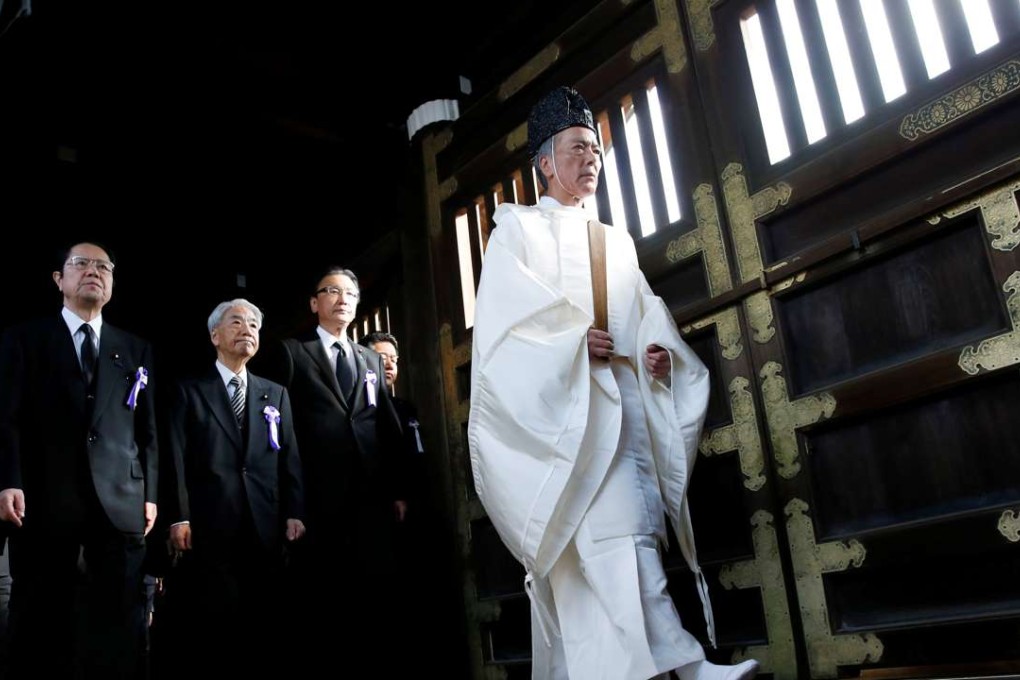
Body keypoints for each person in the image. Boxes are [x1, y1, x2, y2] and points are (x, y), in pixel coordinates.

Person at [467, 87, 761, 680]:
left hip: (620, 408)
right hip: (562, 421)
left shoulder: (614, 240)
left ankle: (678, 667)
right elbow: (504, 332)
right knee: (599, 554)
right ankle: (688, 667)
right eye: (577, 148)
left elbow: (645, 315)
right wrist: (571, 346)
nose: (591, 159)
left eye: (596, 149)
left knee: (629, 537)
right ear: (545, 162)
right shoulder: (516, 233)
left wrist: (658, 357)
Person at [0, 241, 158, 679]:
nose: (94, 271)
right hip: (44, 496)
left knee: (119, 618)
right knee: (39, 611)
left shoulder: (135, 348)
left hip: (121, 500)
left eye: (103, 266)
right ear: (59, 279)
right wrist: (9, 479)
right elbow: (6, 418)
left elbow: (147, 430)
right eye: (81, 264)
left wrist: (150, 493)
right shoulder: (24, 339)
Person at [263, 267, 407, 670]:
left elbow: (386, 427)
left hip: (370, 495)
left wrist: (397, 489)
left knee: (374, 590)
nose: (342, 299)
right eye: (332, 291)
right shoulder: (292, 352)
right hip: (316, 494)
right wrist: (289, 500)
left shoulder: (369, 359)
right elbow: (278, 427)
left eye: (350, 294)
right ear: (315, 303)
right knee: (325, 593)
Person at [160, 299, 304, 677]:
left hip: (265, 520)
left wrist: (295, 511)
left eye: (254, 324)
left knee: (263, 618)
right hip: (209, 523)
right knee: (214, 618)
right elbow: (174, 458)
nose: (247, 330)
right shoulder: (189, 390)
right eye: (236, 322)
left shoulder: (275, 393)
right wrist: (179, 517)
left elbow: (289, 458)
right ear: (214, 335)